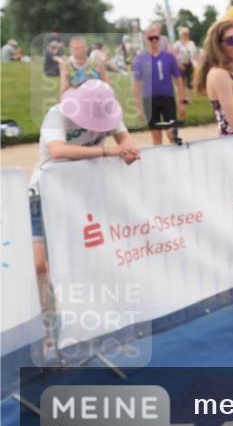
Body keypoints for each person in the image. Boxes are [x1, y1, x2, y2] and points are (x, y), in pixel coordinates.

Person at [29, 80, 141, 357]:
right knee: (40, 265)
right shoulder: (57, 114)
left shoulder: (109, 112)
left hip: (83, 200)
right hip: (44, 196)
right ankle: (47, 330)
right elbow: (58, 150)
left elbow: (125, 140)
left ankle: (100, 325)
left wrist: (127, 150)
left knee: (91, 260)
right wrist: (107, 151)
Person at [132, 24, 185, 145]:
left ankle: (176, 159)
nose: (154, 41)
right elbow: (137, 85)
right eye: (151, 38)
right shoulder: (140, 59)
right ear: (146, 40)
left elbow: (178, 79)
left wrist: (182, 101)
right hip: (149, 100)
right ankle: (159, 161)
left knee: (172, 133)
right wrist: (138, 108)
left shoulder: (169, 57)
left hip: (168, 98)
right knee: (156, 136)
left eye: (156, 37)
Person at [173, 27, 198, 101]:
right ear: (181, 35)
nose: (186, 35)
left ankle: (189, 99)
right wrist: (178, 64)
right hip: (181, 64)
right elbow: (174, 55)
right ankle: (181, 98)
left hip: (190, 64)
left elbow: (195, 54)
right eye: (184, 34)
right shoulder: (177, 44)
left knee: (190, 82)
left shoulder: (191, 43)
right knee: (181, 82)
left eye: (187, 34)